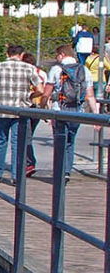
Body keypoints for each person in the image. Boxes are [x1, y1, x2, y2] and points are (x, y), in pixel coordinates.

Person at [42, 43, 99, 181]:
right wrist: (96, 116)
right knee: (70, 142)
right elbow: (90, 95)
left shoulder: (56, 69)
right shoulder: (84, 70)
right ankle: (67, 171)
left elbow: (46, 93)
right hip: (76, 111)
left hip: (59, 110)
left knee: (59, 141)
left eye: (57, 55)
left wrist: (42, 108)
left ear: (62, 55)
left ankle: (59, 171)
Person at [0, 44, 42, 184]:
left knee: (0, 142)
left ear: (7, 53)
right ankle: (16, 176)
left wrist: (3, 92)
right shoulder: (29, 68)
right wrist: (29, 95)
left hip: (3, 110)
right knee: (18, 143)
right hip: (21, 110)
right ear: (21, 55)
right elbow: (40, 89)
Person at [21, 51, 45, 177]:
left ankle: (29, 163)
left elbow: (40, 91)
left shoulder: (26, 73)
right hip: (39, 109)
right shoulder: (42, 73)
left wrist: (31, 96)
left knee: (26, 136)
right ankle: (27, 162)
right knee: (28, 135)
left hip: (29, 106)